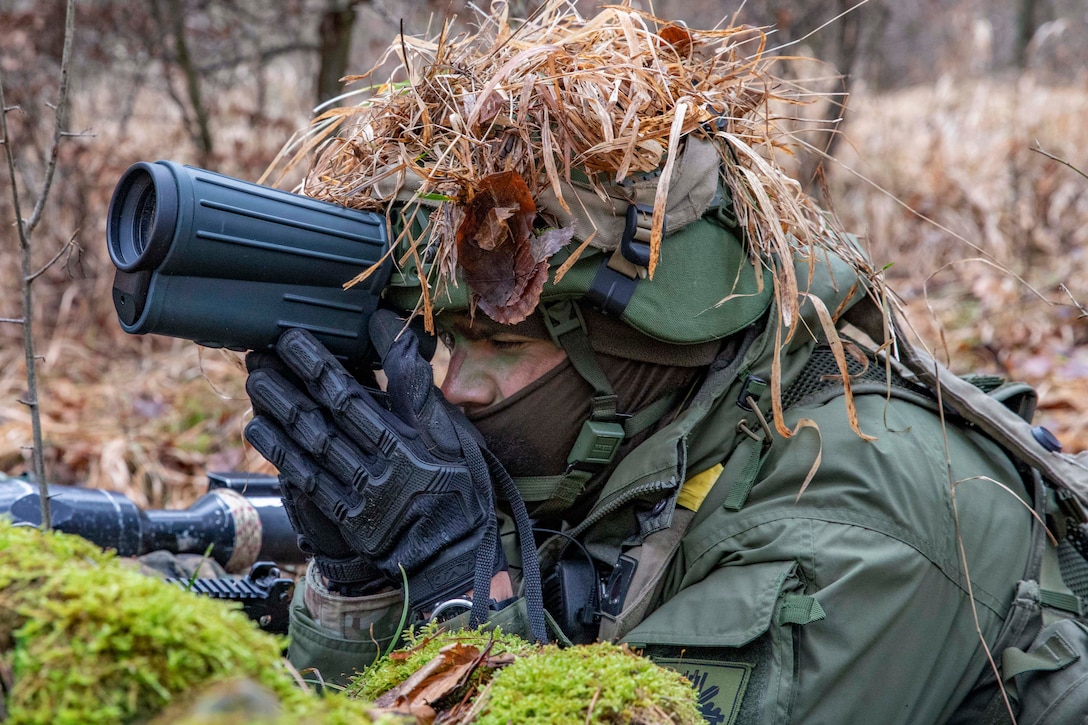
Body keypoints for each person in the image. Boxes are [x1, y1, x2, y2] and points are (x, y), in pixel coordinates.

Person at [241, 7, 1088, 723]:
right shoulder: (635, 465)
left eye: (501, 344)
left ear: (638, 358)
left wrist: (462, 595)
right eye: (447, 341)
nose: (454, 386)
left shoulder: (850, 521)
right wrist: (360, 587)